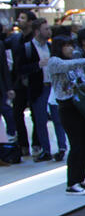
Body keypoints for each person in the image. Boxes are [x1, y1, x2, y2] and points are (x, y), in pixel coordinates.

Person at [45, 35, 85, 194]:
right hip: (67, 107)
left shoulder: (73, 64)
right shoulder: (54, 61)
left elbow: (83, 82)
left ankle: (80, 179)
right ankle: (72, 182)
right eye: (66, 46)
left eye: (71, 46)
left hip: (81, 106)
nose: (70, 49)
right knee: (76, 145)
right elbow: (68, 65)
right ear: (59, 47)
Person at [13, 18, 55, 161]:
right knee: (39, 120)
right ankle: (43, 149)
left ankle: (60, 148)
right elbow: (19, 69)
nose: (49, 31)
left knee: (57, 120)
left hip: (52, 87)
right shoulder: (27, 48)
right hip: (38, 88)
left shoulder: (50, 46)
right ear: (37, 31)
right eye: (46, 29)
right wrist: (37, 65)